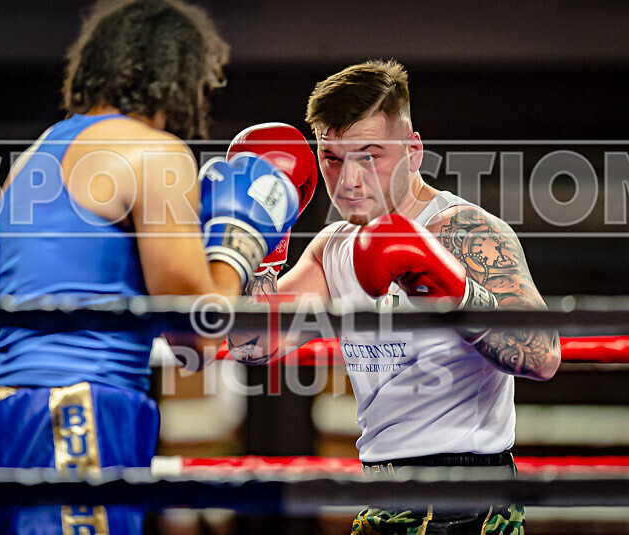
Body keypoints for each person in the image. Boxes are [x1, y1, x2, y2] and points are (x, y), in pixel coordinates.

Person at [0, 1, 300, 533]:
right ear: (176, 75)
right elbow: (199, 330)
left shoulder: (31, 160)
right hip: (76, 421)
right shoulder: (154, 154)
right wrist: (240, 239)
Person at [228, 60, 561, 534]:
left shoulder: (466, 232)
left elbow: (543, 356)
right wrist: (263, 244)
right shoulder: (332, 248)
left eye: (370, 155)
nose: (349, 180)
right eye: (333, 158)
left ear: (412, 151)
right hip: (385, 498)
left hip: (469, 501)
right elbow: (251, 345)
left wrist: (447, 285)